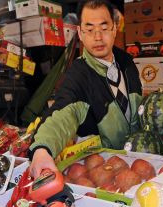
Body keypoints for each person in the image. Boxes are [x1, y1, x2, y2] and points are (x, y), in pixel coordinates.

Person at [29, 0, 142, 178]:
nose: (97, 37)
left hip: (137, 163)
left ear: (114, 29)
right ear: (80, 33)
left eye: (104, 28)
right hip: (105, 172)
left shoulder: (127, 63)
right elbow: (62, 113)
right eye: (89, 30)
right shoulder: (78, 74)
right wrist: (42, 149)